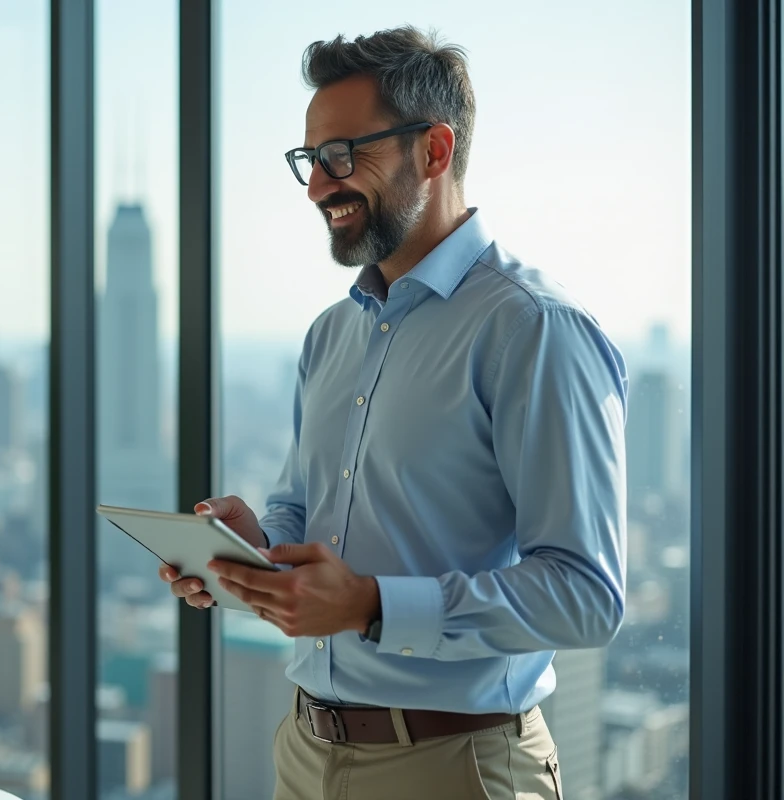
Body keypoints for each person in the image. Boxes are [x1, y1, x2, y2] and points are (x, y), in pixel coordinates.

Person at [159, 26, 627, 799]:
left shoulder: (532, 329)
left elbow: (587, 596)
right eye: (311, 161)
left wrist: (373, 606)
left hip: (458, 767)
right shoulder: (331, 332)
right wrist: (253, 550)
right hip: (305, 753)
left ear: (435, 151)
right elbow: (297, 508)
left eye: (343, 156)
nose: (317, 187)